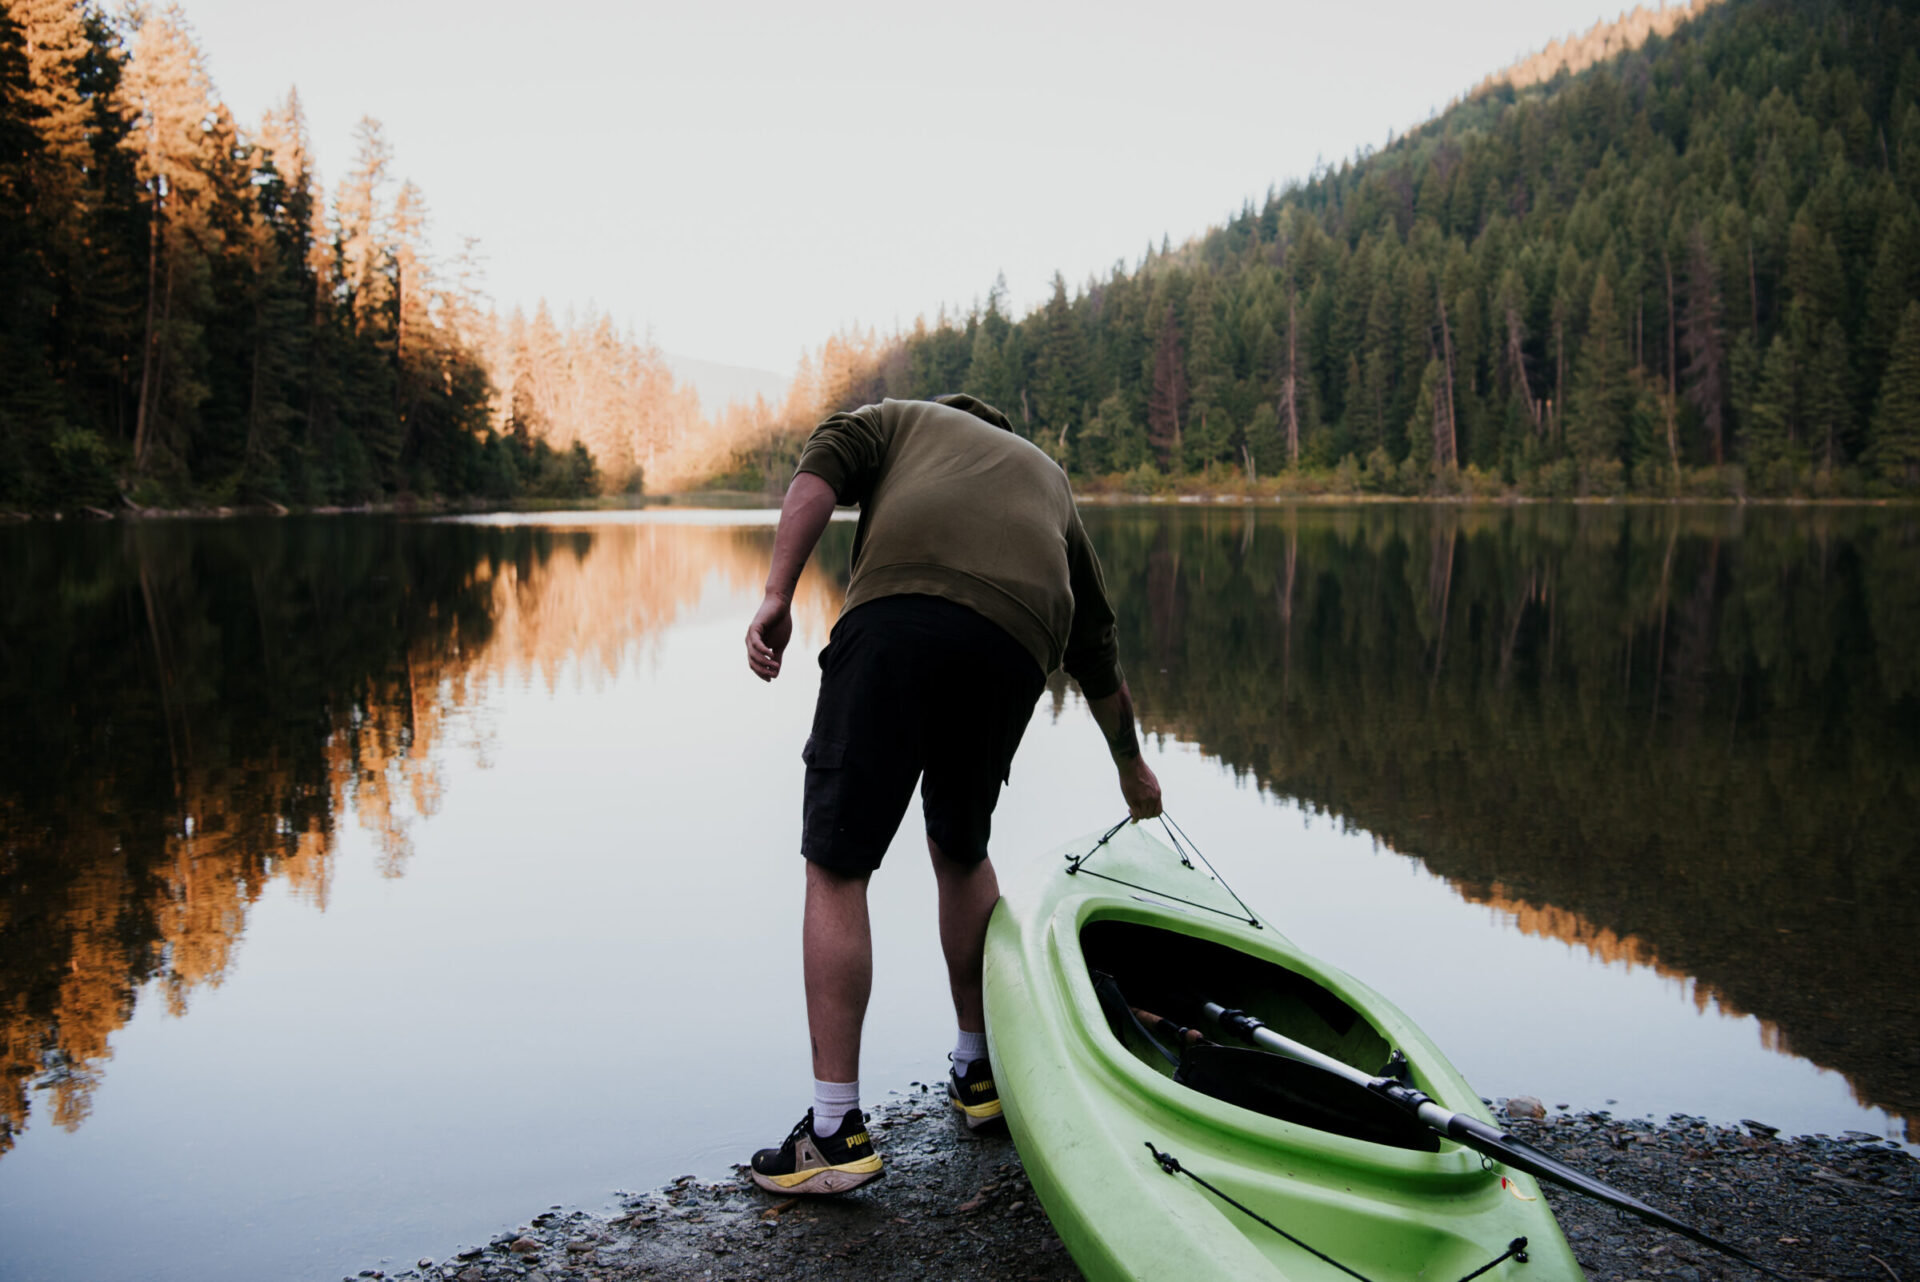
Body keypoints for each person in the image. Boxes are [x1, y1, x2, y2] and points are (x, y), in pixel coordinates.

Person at [742, 393, 1162, 1195]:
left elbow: (815, 480)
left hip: (899, 612)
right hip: (1015, 640)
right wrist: (1130, 769)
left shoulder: (896, 420)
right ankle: (981, 1076)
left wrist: (777, 594)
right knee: (961, 846)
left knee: (838, 863)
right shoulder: (1047, 477)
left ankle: (834, 1132)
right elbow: (1098, 653)